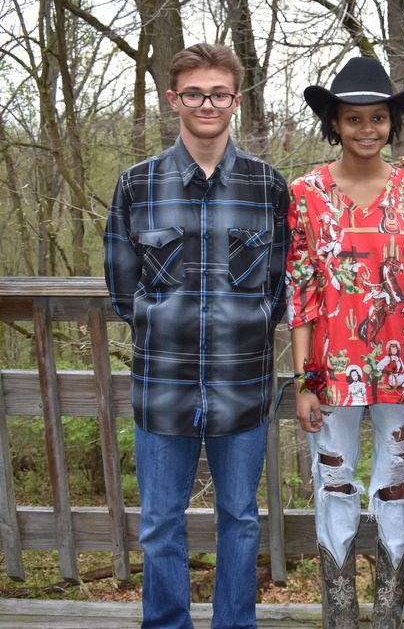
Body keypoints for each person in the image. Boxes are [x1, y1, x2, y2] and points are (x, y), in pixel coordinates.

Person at [103, 43, 289, 629]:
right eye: (194, 93)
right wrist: (169, 328)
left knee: (241, 517)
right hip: (163, 383)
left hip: (244, 383)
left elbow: (279, 286)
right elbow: (122, 288)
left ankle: (235, 624)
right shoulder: (137, 184)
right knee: (160, 521)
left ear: (236, 100)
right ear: (173, 98)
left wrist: (242, 331)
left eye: (218, 94)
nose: (206, 104)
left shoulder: (267, 186)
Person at [287, 56, 404, 629]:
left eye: (378, 117)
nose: (367, 128)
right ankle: (341, 615)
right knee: (334, 484)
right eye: (354, 118)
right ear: (335, 122)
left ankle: (389, 615)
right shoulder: (305, 194)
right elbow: (301, 292)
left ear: (391, 123)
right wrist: (303, 382)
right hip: (330, 373)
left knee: (397, 485)